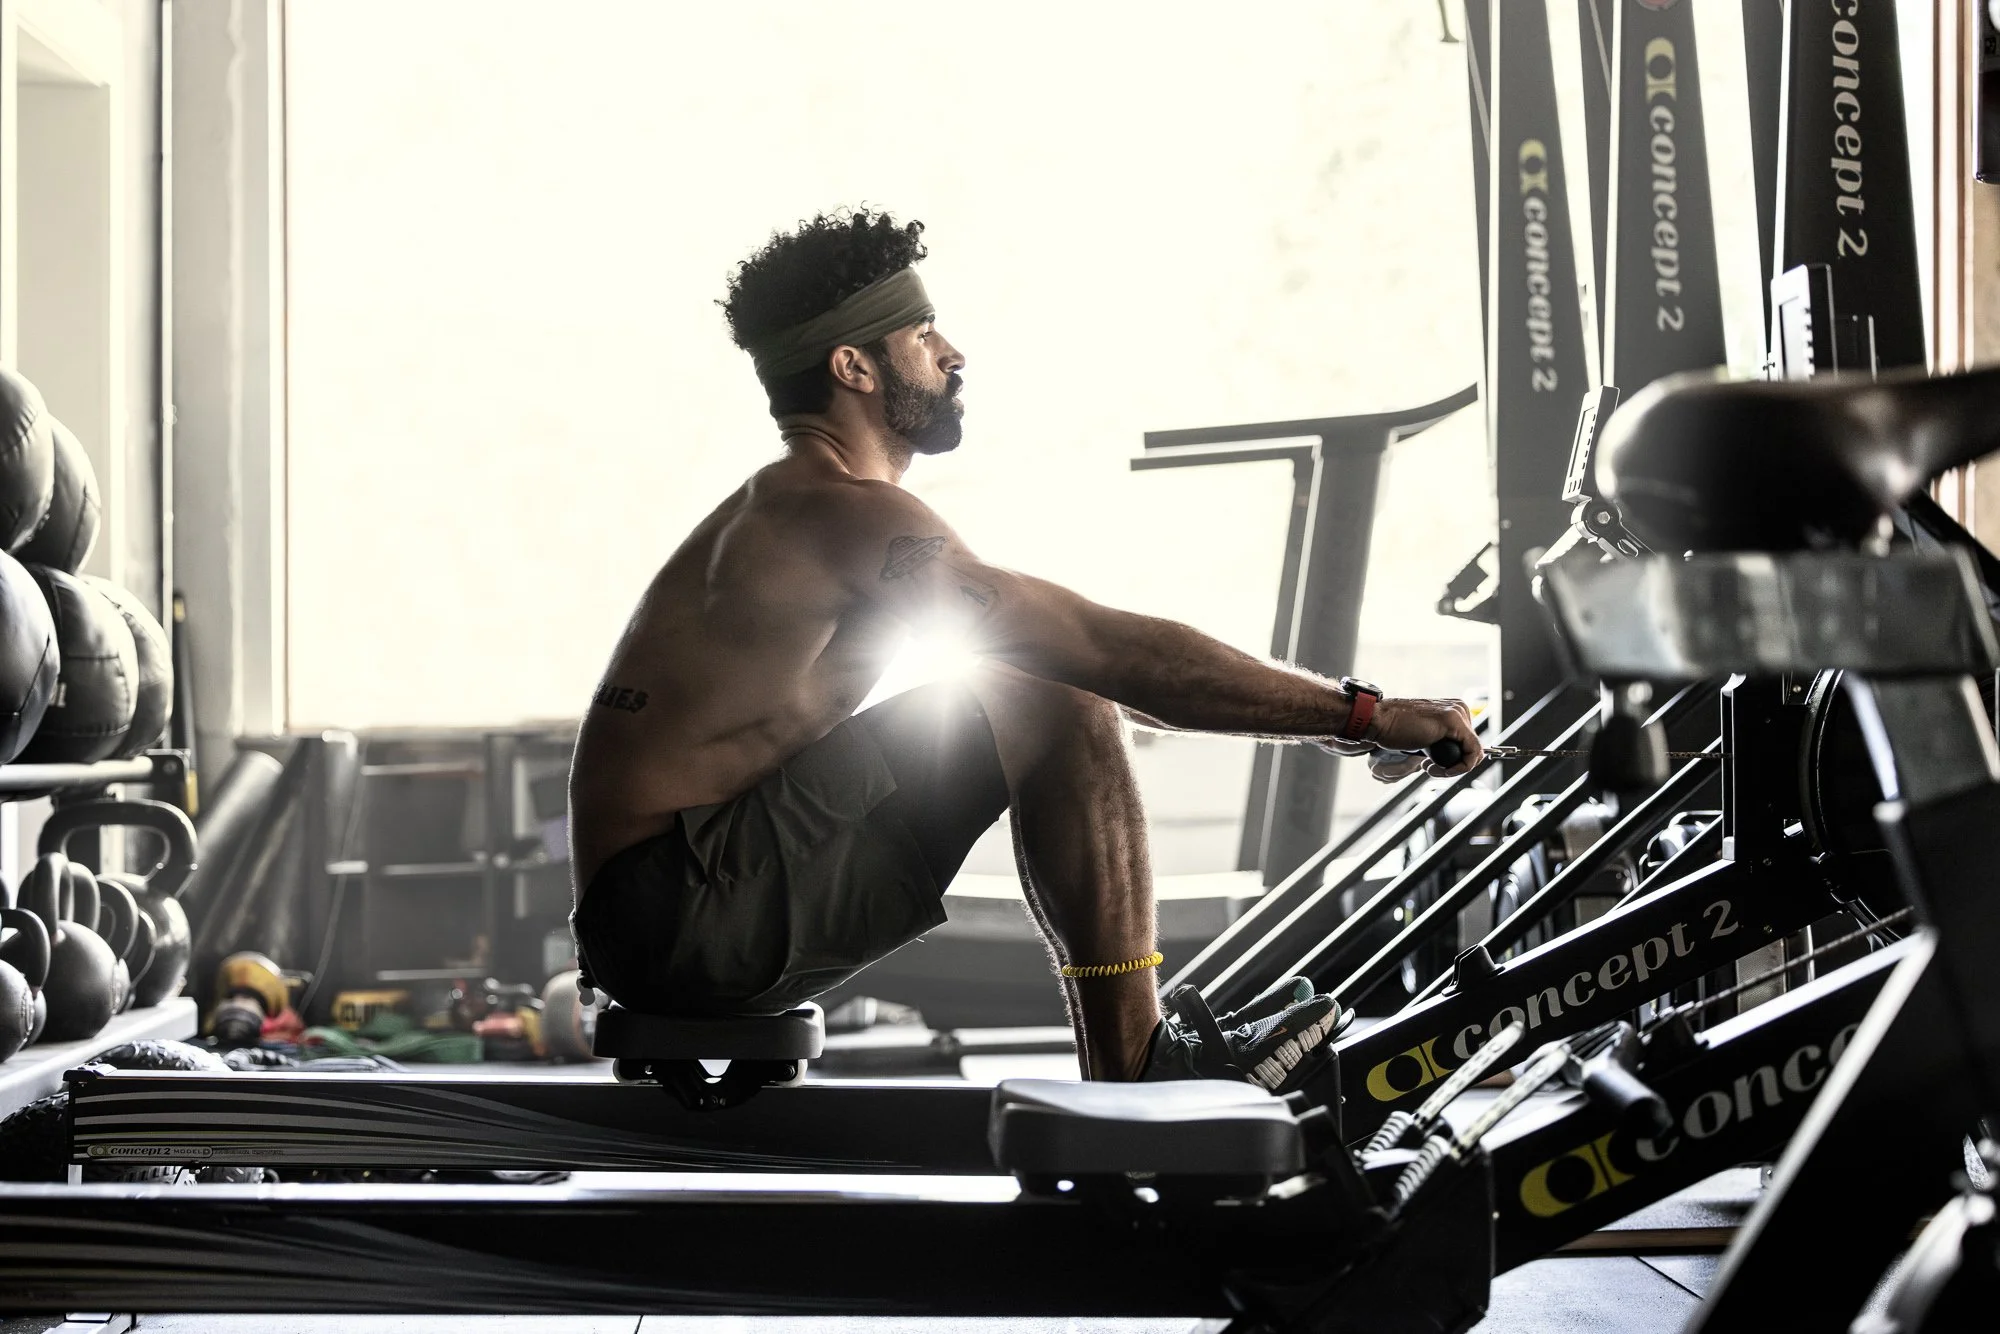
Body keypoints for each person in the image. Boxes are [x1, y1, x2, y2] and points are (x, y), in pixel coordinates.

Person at [568, 208, 1483, 1087]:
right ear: (853, 366)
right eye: (923, 337)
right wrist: (1363, 717)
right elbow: (1094, 650)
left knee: (1046, 682)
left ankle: (1132, 1059)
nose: (952, 353)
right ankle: (1137, 1067)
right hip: (681, 911)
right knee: (1052, 687)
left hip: (671, 900)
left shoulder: (789, 508)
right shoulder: (835, 516)